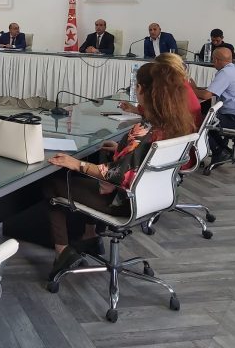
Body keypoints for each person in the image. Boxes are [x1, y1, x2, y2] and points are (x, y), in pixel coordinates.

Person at [44, 62, 194, 278]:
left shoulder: (143, 129)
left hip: (123, 202)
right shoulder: (175, 123)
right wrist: (122, 149)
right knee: (91, 168)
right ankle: (90, 237)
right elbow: (143, 158)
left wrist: (77, 164)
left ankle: (62, 253)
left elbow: (116, 174)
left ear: (140, 89)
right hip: (153, 197)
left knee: (53, 183)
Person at [191, 47, 235, 163]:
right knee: (207, 117)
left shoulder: (225, 73)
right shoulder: (234, 70)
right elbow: (211, 90)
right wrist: (196, 89)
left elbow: (206, 95)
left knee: (200, 121)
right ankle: (223, 150)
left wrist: (191, 89)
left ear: (216, 60)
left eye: (213, 59)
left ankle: (219, 151)